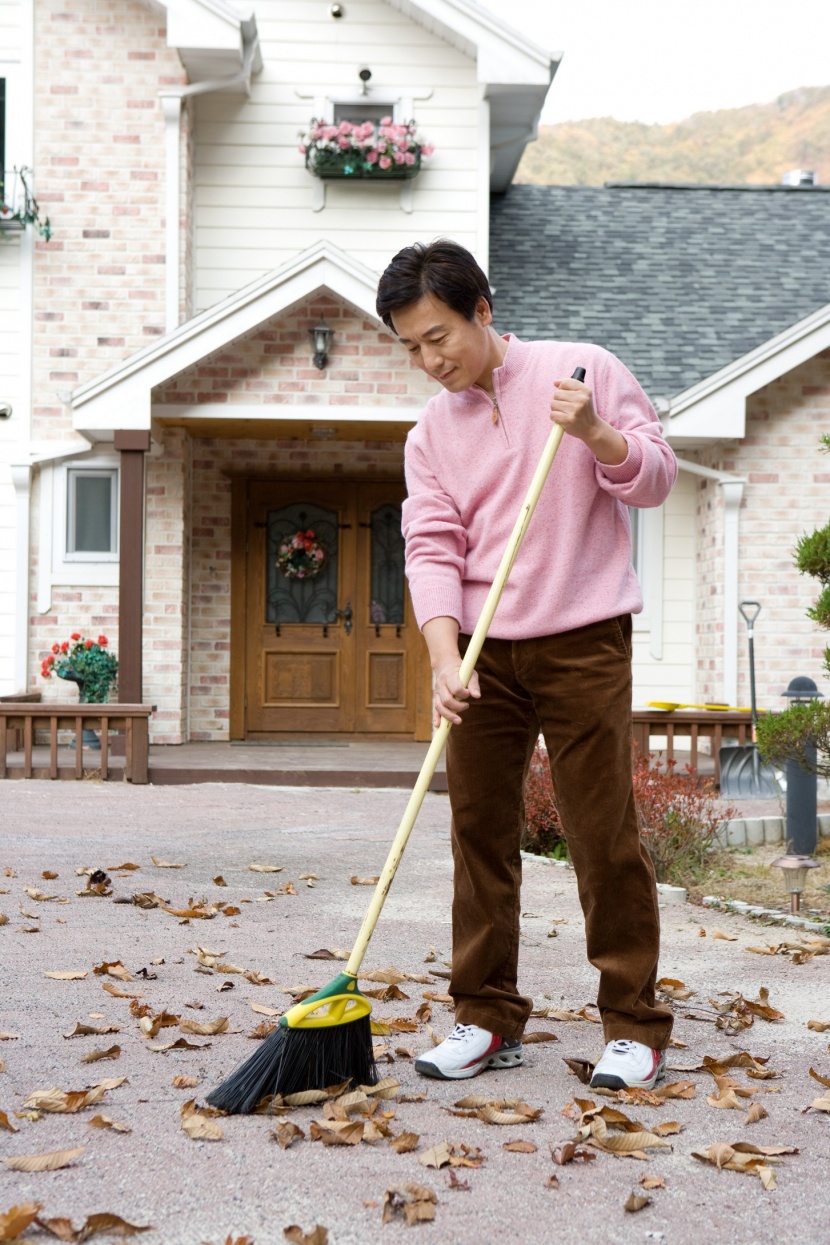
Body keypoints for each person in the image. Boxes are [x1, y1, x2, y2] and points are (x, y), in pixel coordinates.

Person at [375, 239, 677, 1090]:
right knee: (478, 831)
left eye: (439, 336)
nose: (430, 361)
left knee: (600, 831)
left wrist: (595, 432)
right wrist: (443, 658)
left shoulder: (580, 371)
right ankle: (485, 1015)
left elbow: (655, 477)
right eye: (411, 347)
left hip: (583, 638)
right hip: (478, 650)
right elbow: (430, 546)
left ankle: (632, 1021)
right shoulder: (431, 430)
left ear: (483, 310)